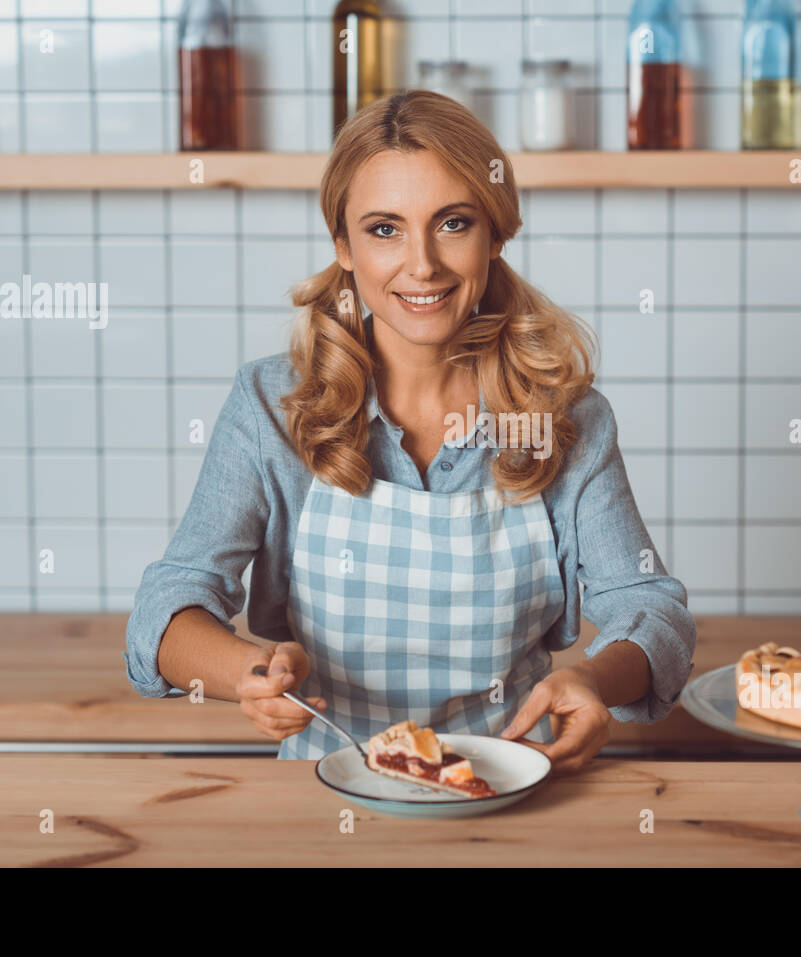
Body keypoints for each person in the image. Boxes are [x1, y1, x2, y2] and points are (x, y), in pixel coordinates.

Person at [124, 91, 696, 771]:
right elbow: (165, 607)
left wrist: (592, 678)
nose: (421, 264)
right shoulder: (272, 403)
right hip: (323, 794)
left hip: (508, 788)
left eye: (453, 223)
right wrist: (248, 668)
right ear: (343, 244)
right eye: (384, 229)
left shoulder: (566, 420)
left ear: (496, 233)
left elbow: (651, 608)